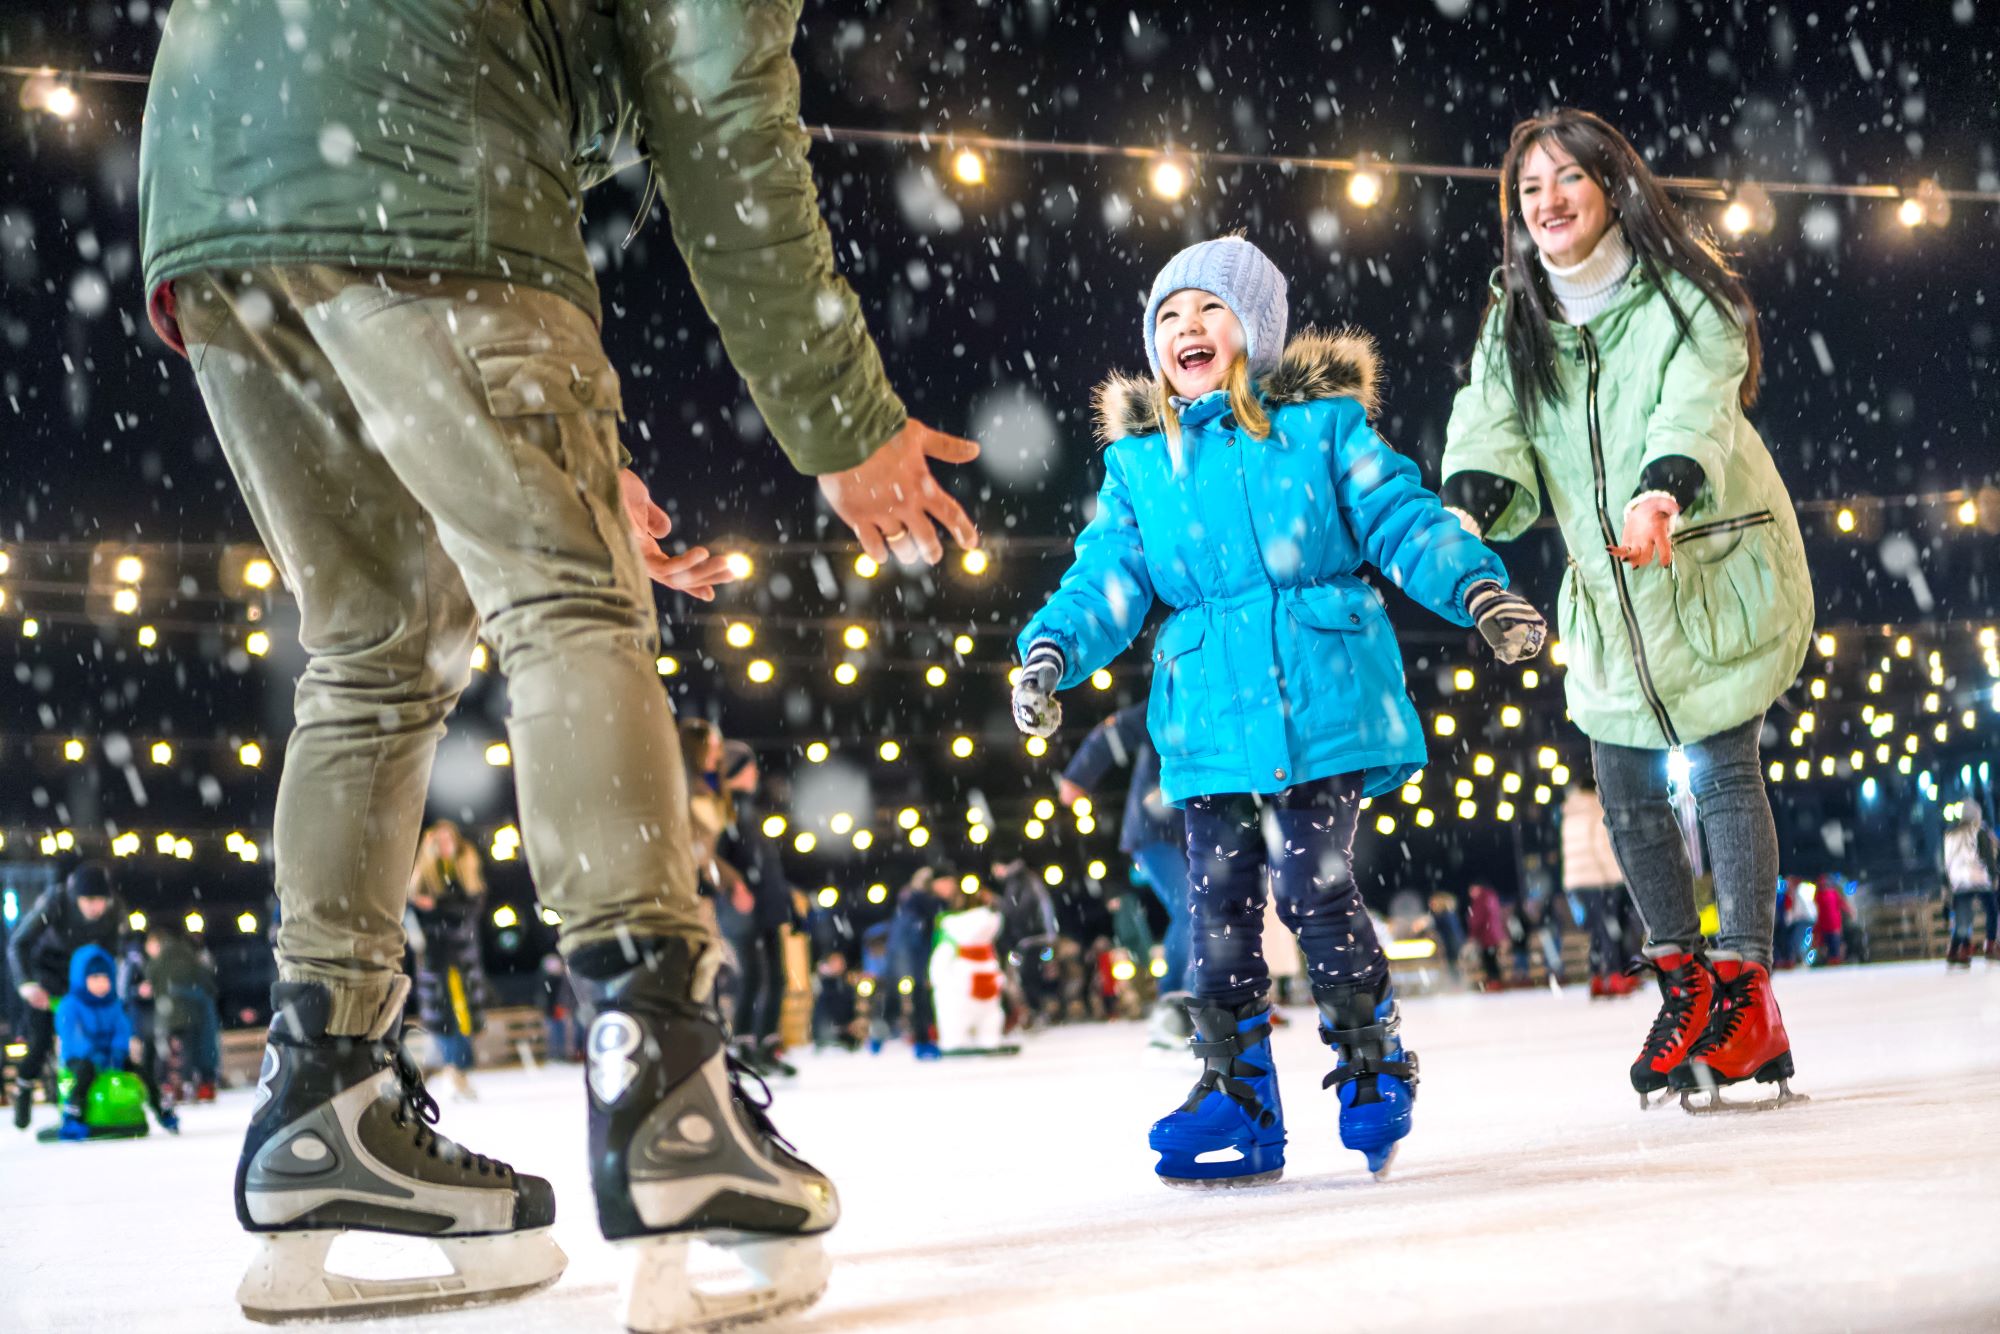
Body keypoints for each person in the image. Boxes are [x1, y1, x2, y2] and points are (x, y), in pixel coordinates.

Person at [139, 2, 982, 1320]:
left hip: (216, 164)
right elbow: (722, 118)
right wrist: (841, 413)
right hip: (410, 144)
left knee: (370, 648)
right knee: (569, 607)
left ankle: (326, 1094)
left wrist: (564, 461)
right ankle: (665, 1083)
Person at [1011, 235, 1548, 1187]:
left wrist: (1477, 589)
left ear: (1254, 330)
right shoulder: (1142, 464)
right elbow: (1108, 578)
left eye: (1210, 310)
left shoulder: (1324, 429)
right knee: (1216, 910)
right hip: (1210, 720)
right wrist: (1052, 649)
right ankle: (1238, 1094)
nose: (1188, 328)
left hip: (1322, 701)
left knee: (1309, 889)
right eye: (1169, 316)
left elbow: (1404, 519)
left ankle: (1372, 1062)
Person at [1441, 109, 1814, 1111]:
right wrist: (1463, 509)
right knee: (1623, 785)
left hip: (1700, 552)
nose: (1548, 201)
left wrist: (1661, 487)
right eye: (1529, 189)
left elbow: (1696, 394)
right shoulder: (1514, 318)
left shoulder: (1676, 290)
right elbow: (1489, 418)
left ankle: (1745, 990)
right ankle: (1684, 987)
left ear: (1609, 185)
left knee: (1725, 770)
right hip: (1606, 589)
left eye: (1566, 178)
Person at [1059, 704, 1192, 1048]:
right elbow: (1115, 730)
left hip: (1199, 828)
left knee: (1219, 910)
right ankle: (1174, 1006)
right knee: (1193, 911)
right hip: (1156, 830)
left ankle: (1222, 999)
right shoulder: (1175, 697)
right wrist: (1078, 776)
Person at [8, 863, 124, 1131]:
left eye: (101, 901)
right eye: (89, 901)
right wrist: (27, 983)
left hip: (85, 979)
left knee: (93, 1041)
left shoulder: (114, 910)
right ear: (76, 898)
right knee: (41, 1040)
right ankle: (24, 1088)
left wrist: (108, 989)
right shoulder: (55, 902)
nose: (96, 907)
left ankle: (85, 1099)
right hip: (46, 974)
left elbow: (111, 954)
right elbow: (19, 943)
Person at [717, 742, 797, 1076]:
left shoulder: (746, 810)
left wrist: (784, 900)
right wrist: (735, 886)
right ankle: (747, 1046)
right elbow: (716, 856)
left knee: (775, 976)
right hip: (745, 906)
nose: (757, 774)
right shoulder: (725, 811)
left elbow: (762, 861)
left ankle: (765, 1044)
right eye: (750, 768)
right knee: (752, 976)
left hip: (764, 903)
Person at [54, 944, 177, 1139]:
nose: (100, 983)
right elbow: (71, 1033)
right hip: (80, 1056)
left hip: (111, 1054)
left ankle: (162, 1109)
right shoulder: (70, 1005)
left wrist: (118, 1051)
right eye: (94, 978)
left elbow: (122, 1029)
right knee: (84, 1073)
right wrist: (89, 1052)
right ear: (81, 979)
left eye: (104, 978)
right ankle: (73, 1115)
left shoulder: (113, 1004)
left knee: (141, 1071)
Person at [406, 822, 491, 1101]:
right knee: (444, 1019)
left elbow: (466, 911)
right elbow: (414, 913)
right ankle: (454, 1070)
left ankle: (456, 1070)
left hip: (462, 958)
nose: (443, 846)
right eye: (438, 841)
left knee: (464, 1018)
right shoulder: (422, 878)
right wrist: (436, 913)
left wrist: (437, 908)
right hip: (434, 960)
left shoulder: (466, 874)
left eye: (448, 840)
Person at [1562, 780, 1641, 998]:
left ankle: (1596, 977)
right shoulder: (1594, 810)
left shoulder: (1571, 813)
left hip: (1577, 881)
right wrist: (1617, 877)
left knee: (1598, 930)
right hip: (1598, 879)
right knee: (1610, 928)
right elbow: (1602, 848)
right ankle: (1616, 975)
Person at [143, 926, 222, 1102]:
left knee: (170, 1052)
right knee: (193, 1049)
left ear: (156, 943)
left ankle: (175, 1085)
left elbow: (150, 978)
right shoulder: (188, 955)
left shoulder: (160, 961)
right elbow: (207, 981)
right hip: (194, 1014)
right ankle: (199, 1085)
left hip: (169, 1014)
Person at [1943, 807, 1998, 967]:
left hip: (1959, 880)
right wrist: (1993, 875)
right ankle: (1990, 945)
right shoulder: (1978, 830)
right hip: (1978, 876)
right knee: (1991, 910)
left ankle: (1955, 950)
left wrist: (1947, 882)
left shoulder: (1950, 834)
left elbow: (1946, 861)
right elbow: (1987, 855)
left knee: (1962, 918)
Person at [1465, 883, 1512, 993]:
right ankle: (1497, 983)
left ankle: (1494, 984)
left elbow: (1477, 919)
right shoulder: (1491, 897)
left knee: (1489, 962)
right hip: (1494, 935)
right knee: (1494, 960)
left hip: (1487, 937)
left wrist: (1472, 934)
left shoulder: (1481, 900)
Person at [1812, 875, 1847, 966]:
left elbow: (1841, 904)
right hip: (1824, 926)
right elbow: (1816, 912)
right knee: (1827, 946)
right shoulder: (1818, 896)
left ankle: (1835, 960)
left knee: (1834, 945)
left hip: (1834, 925)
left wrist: (1849, 911)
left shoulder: (1833, 893)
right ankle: (1830, 960)